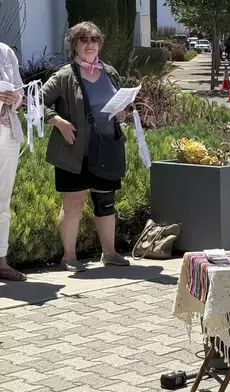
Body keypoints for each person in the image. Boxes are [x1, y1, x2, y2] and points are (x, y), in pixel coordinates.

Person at [42, 21, 129, 272]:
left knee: (105, 201)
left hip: (106, 147)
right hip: (74, 150)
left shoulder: (110, 72)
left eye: (93, 40)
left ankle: (110, 254)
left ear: (99, 43)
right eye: (83, 40)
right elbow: (37, 99)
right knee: (73, 203)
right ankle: (69, 257)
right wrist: (57, 121)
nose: (89, 44)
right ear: (75, 45)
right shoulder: (65, 75)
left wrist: (122, 113)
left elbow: (120, 101)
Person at [0, 42, 26, 281]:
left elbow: (20, 93)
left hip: (7, 131)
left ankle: (1, 261)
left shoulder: (6, 51)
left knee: (3, 199)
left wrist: (14, 97)